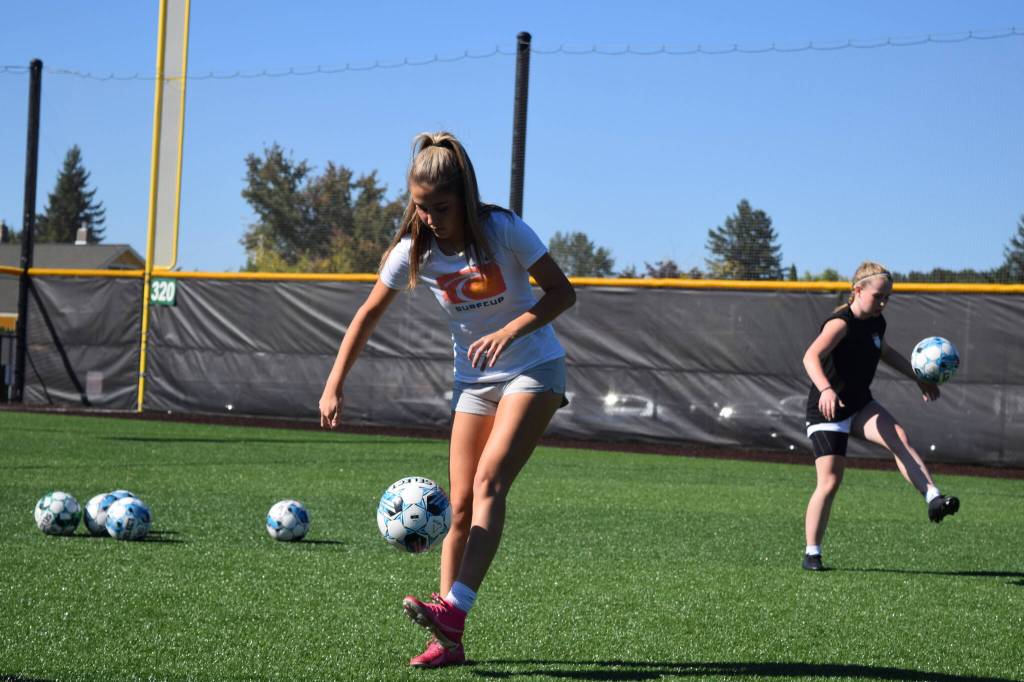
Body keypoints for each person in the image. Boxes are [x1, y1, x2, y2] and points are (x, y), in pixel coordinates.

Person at [318, 131, 575, 667]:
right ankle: (447, 639)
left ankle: (453, 608)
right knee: (457, 507)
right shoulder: (414, 251)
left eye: (440, 206)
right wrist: (334, 382)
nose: (430, 216)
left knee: (489, 482)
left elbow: (562, 291)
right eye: (420, 206)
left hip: (534, 367)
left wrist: (510, 332)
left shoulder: (502, 229)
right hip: (474, 381)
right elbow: (367, 314)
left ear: (463, 197)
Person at [801, 261, 959, 571]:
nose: (884, 302)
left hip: (859, 403)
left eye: (888, 296)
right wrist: (826, 390)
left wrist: (917, 377)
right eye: (879, 296)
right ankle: (812, 553)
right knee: (830, 482)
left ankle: (933, 498)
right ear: (857, 291)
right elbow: (810, 356)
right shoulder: (840, 323)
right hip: (828, 408)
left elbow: (885, 353)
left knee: (898, 437)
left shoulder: (877, 322)